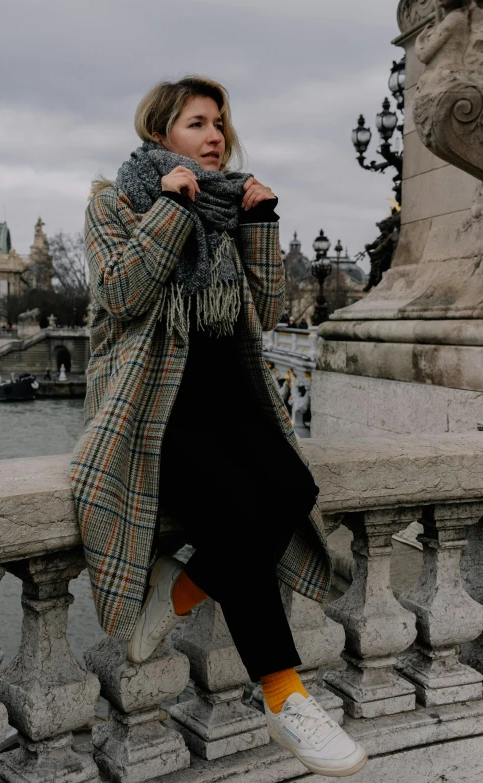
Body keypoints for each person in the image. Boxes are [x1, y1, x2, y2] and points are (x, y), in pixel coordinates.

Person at [70, 76, 367, 778]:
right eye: (198, 122)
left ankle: (180, 587)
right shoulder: (114, 203)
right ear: (160, 133)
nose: (215, 136)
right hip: (156, 410)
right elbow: (121, 291)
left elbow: (260, 312)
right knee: (238, 520)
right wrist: (173, 209)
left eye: (220, 125)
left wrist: (259, 226)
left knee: (292, 487)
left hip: (233, 397)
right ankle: (285, 694)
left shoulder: (228, 210)